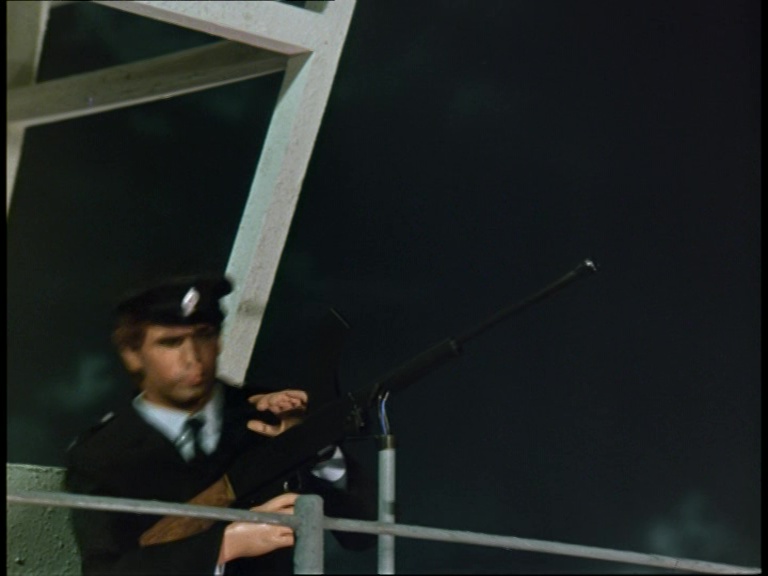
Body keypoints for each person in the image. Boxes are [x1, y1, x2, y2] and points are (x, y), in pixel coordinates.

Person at [65, 274, 375, 575]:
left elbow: (362, 535)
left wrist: (316, 447)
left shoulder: (271, 416)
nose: (192, 358)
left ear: (218, 340)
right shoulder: (102, 455)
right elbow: (105, 570)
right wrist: (223, 545)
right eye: (171, 342)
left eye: (204, 335)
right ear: (133, 354)